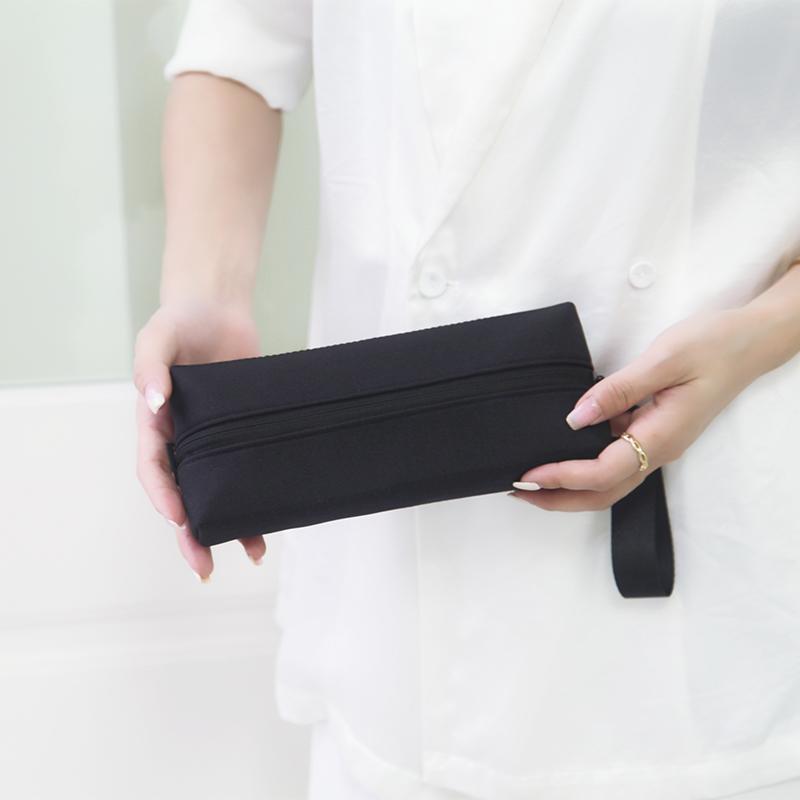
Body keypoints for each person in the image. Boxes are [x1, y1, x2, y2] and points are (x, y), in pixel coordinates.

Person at [133, 2, 800, 798]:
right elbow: (239, 47)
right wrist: (205, 295)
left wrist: (758, 335)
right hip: (388, 608)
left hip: (698, 569)